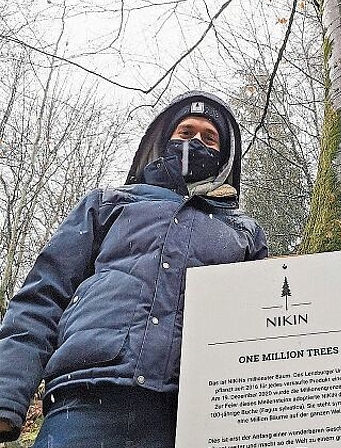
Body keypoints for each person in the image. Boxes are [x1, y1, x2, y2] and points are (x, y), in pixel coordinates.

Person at [0, 91, 268, 447]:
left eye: (209, 137)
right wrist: (7, 395)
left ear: (224, 155)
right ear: (164, 139)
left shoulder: (242, 232)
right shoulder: (107, 204)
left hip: (191, 413)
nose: (196, 142)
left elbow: (263, 327)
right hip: (84, 400)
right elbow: (43, 296)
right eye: (186, 132)